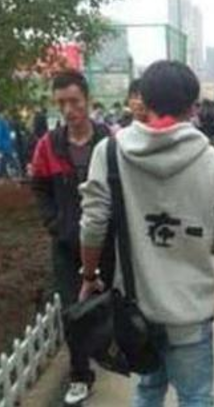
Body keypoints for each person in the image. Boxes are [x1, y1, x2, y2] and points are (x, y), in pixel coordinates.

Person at [79, 60, 214, 407]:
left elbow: (93, 225)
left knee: (148, 392)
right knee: (196, 397)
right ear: (193, 106)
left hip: (136, 308)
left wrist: (89, 276)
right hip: (191, 310)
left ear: (143, 100)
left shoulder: (110, 153)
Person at [31, 70, 112, 406]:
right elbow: (39, 186)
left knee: (112, 303)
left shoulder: (109, 141)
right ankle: (80, 374)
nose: (68, 109)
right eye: (61, 103)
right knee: (72, 310)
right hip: (67, 244)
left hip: (106, 243)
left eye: (74, 101)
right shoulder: (48, 145)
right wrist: (55, 222)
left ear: (88, 100)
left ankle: (113, 355)